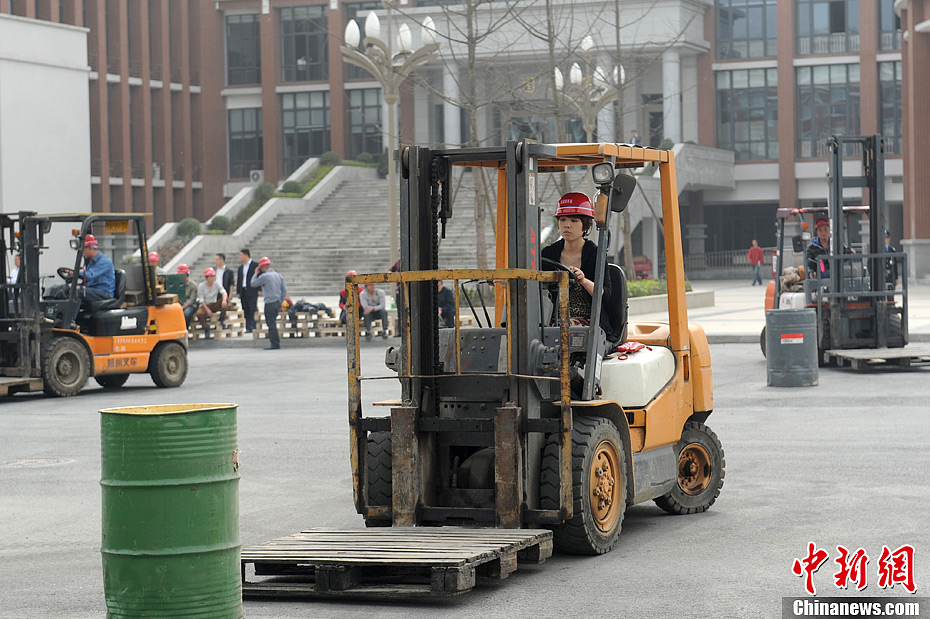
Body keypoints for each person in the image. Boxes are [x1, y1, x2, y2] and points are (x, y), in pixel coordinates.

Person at [541, 192, 615, 339]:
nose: (567, 225)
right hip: (553, 319)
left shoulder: (595, 254)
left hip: (589, 321)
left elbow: (605, 295)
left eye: (574, 220)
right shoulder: (548, 253)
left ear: (585, 225)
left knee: (561, 331)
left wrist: (584, 281)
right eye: (563, 219)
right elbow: (534, 282)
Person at [52, 234, 115, 321]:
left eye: (83, 249)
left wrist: (74, 273)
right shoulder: (91, 262)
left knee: (78, 292)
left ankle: (69, 321)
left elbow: (90, 275)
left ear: (90, 248)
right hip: (92, 291)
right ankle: (57, 317)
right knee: (63, 289)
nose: (82, 253)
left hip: (103, 293)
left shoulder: (105, 261)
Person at [250, 256, 287, 350]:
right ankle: (275, 342)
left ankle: (275, 343)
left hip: (270, 302)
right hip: (277, 302)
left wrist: (255, 273)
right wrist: (281, 301)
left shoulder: (265, 276)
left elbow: (253, 283)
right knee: (273, 322)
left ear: (262, 268)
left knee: (271, 323)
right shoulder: (278, 275)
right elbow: (284, 291)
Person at [195, 267, 229, 338]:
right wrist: (207, 309)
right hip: (205, 305)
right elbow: (201, 299)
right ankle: (206, 328)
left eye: (214, 276)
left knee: (226, 300)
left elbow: (223, 292)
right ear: (207, 278)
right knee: (199, 313)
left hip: (214, 304)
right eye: (211, 276)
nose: (213, 278)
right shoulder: (202, 286)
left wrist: (224, 300)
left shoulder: (216, 284)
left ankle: (222, 317)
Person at [237, 248, 259, 333]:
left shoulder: (255, 265)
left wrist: (259, 289)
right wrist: (238, 292)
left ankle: (254, 325)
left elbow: (259, 277)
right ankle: (248, 327)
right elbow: (239, 280)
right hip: (243, 290)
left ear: (246, 255)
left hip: (252, 290)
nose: (240, 257)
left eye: (241, 255)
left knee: (253, 308)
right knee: (245, 309)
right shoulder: (241, 267)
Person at [177, 264, 198, 328]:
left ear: (186, 275)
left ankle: (186, 327)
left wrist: (184, 306)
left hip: (190, 306)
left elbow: (192, 299)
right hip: (180, 305)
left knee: (186, 313)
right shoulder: (177, 285)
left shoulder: (193, 285)